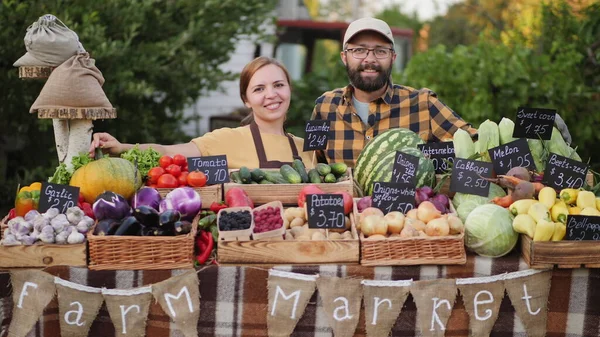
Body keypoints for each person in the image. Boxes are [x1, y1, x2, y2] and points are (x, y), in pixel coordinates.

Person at [310, 17, 572, 167]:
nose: (370, 59)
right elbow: (313, 167)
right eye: (359, 50)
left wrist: (537, 129)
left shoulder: (421, 103)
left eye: (380, 50)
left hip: (411, 229)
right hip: (345, 228)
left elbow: (478, 142)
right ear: (345, 57)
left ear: (393, 57)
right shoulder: (325, 107)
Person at [89, 56, 313, 169]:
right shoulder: (227, 139)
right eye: (259, 89)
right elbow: (169, 151)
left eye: (279, 85)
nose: (271, 94)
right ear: (246, 100)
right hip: (242, 245)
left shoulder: (308, 150)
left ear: (289, 89)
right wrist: (122, 148)